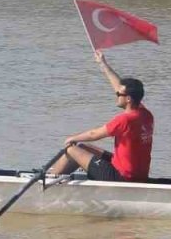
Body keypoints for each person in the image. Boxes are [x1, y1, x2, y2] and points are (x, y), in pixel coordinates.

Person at [50, 50, 154, 182]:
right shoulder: (146, 114)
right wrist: (103, 64)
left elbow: (94, 134)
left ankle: (46, 181)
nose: (116, 96)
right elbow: (119, 86)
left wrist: (72, 138)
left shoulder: (124, 120)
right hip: (138, 174)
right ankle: (54, 174)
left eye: (118, 95)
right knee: (82, 147)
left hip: (121, 177)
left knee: (71, 149)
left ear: (128, 99)